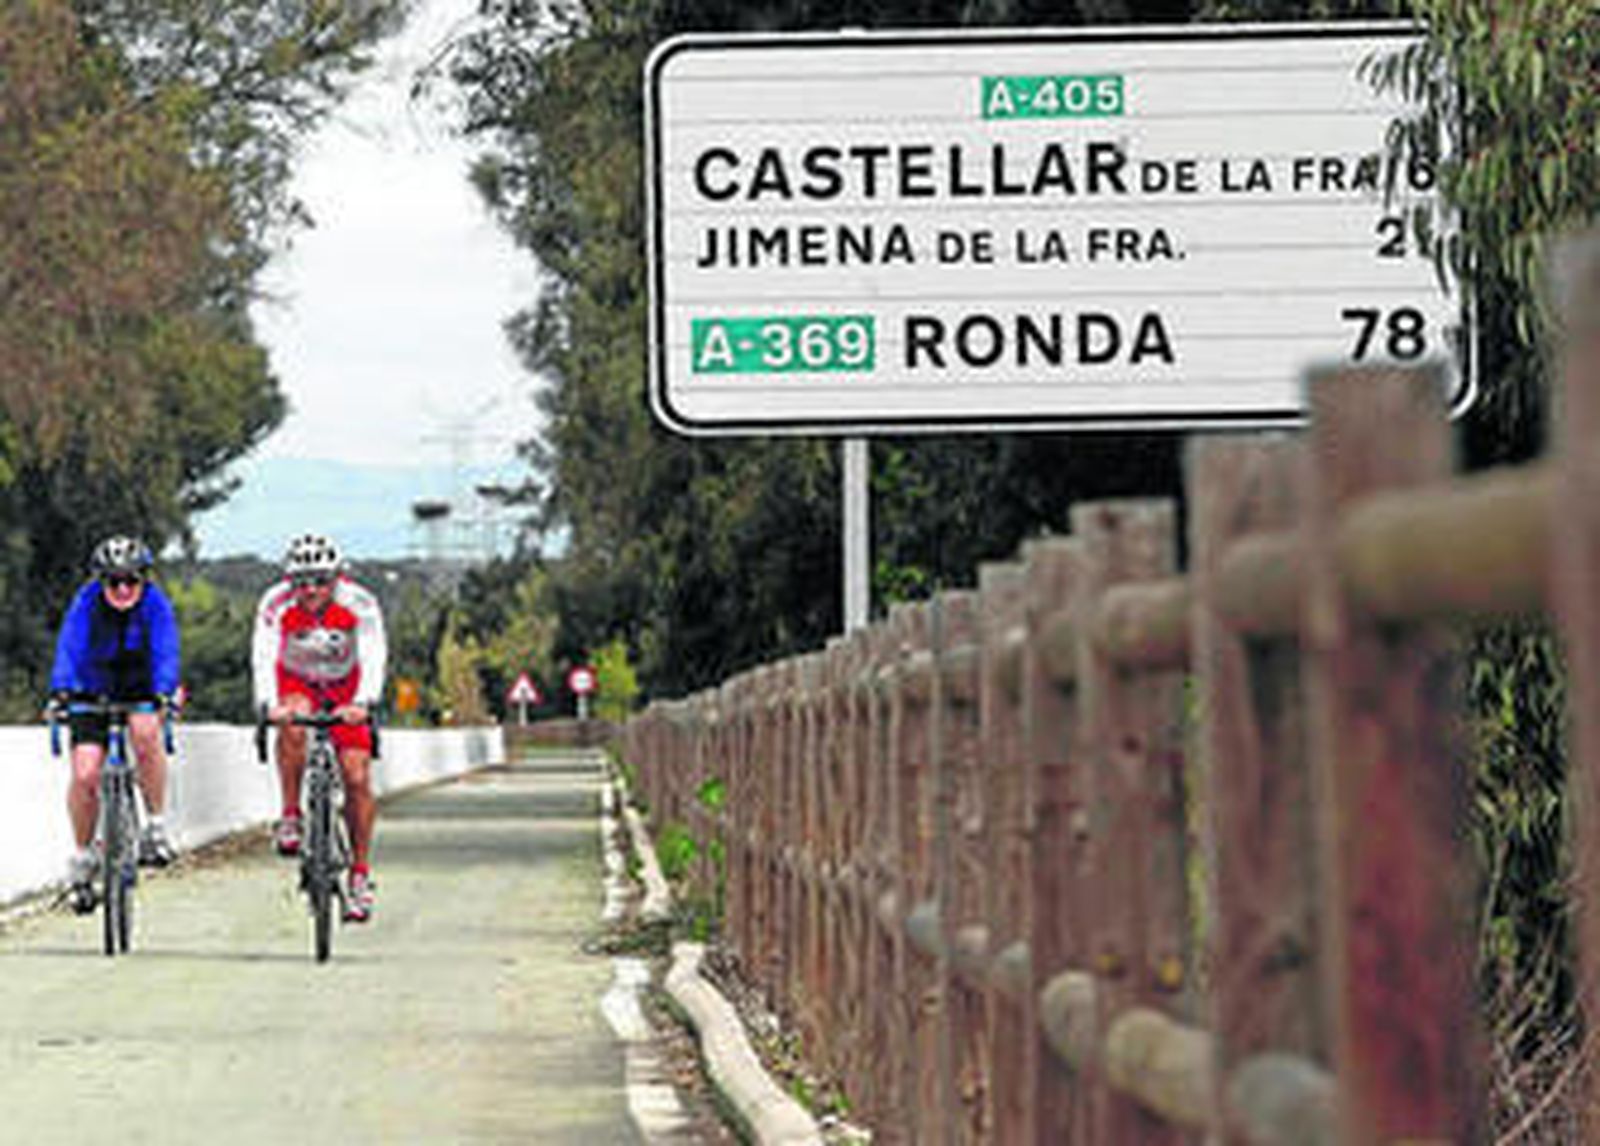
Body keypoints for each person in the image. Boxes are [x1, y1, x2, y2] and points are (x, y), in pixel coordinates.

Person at [251, 533, 387, 922]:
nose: (310, 590)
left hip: (347, 686)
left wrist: (364, 702)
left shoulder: (360, 603)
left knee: (356, 777)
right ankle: (291, 814)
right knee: (292, 721)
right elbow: (262, 654)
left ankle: (360, 875)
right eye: (301, 582)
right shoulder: (275, 604)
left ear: (337, 579)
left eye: (321, 581)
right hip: (297, 681)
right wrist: (266, 703)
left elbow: (375, 654)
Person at [48, 535, 181, 913]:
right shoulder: (86, 602)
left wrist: (165, 690)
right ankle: (83, 857)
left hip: (141, 688)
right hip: (92, 689)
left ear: (144, 580)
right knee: (86, 773)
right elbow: (69, 648)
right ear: (100, 582)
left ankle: (154, 826)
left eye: (131, 581)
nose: (123, 589)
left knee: (144, 732)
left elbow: (167, 650)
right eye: (113, 581)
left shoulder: (155, 604)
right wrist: (61, 691)